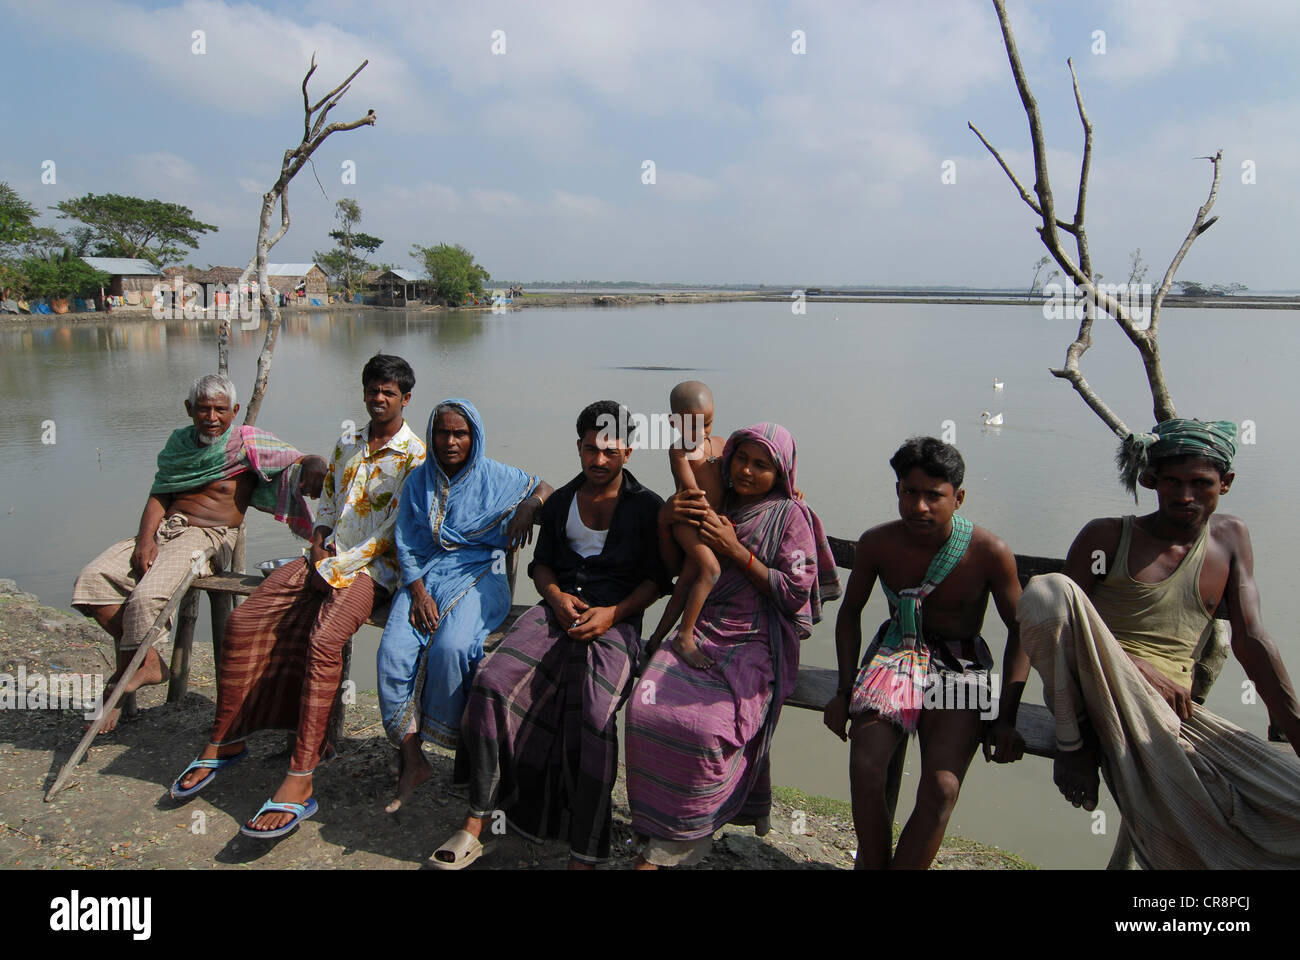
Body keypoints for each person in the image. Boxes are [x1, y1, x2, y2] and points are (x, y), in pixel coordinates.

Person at [1018, 418, 1300, 868]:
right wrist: (1136, 667)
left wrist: (1293, 725)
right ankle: (1076, 748)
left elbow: (1253, 639)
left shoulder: (1230, 538)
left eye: (1200, 483)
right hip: (1095, 695)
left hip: (1171, 714)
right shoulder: (1107, 535)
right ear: (1150, 480)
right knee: (1048, 591)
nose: (1185, 496)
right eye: (1172, 482)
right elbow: (1056, 622)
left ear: (1225, 484)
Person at [169, 354, 426, 839]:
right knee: (244, 624)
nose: (378, 398)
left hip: (375, 570)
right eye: (372, 389)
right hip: (326, 558)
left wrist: (335, 567)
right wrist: (320, 537)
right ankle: (228, 736)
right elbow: (328, 496)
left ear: (405, 399)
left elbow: (397, 531)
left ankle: (302, 774)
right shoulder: (349, 439)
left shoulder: (416, 456)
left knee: (324, 640)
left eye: (389, 392)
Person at [429, 400, 669, 869]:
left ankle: (585, 847)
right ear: (578, 446)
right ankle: (478, 817)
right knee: (494, 680)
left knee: (597, 713)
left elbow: (658, 580)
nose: (599, 461)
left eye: (610, 451)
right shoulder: (561, 502)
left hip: (615, 620)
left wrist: (613, 614)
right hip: (557, 607)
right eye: (589, 450)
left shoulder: (647, 508)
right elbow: (541, 566)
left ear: (629, 451)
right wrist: (556, 599)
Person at [626, 422, 841, 868]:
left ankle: (685, 833)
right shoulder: (713, 502)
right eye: (741, 459)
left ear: (780, 472)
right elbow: (675, 570)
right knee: (646, 707)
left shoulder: (789, 516)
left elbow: (793, 592)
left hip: (757, 637)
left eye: (761, 465)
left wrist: (737, 551)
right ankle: (655, 824)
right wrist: (668, 519)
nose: (747, 470)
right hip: (701, 626)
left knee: (706, 727)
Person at [72, 374, 324, 733]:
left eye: (220, 410)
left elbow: (297, 459)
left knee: (145, 598)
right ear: (189, 409)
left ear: (234, 411)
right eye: (203, 409)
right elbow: (161, 492)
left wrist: (314, 464)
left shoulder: (247, 443)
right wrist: (146, 540)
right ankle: (146, 662)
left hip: (208, 536)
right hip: (166, 529)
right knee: (90, 580)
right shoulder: (179, 443)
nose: (211, 417)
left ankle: (129, 673)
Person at [821, 437, 1028, 869]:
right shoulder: (878, 543)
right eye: (908, 492)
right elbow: (849, 614)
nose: (919, 507)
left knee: (942, 787)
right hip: (895, 656)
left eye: (934, 495)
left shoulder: (989, 552)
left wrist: (1005, 715)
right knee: (866, 765)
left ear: (959, 498)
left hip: (961, 667)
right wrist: (844, 689)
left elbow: (1023, 633)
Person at [376, 399, 553, 813]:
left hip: (482, 573)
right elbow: (405, 541)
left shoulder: (497, 477)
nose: (451, 441)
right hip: (424, 576)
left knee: (453, 647)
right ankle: (412, 755)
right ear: (432, 436)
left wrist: (529, 505)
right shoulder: (418, 482)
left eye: (460, 433)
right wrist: (417, 592)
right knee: (393, 652)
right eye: (443, 433)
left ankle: (459, 746)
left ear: (475, 436)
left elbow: (547, 489)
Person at [643, 380, 727, 668]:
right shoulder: (678, 451)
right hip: (688, 520)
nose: (702, 432)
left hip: (709, 521)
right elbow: (693, 492)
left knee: (685, 585)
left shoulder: (720, 444)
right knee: (711, 569)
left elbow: (741, 478)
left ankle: (655, 639)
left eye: (708, 423)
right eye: (693, 426)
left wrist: (789, 489)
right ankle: (684, 637)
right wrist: (715, 519)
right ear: (673, 422)